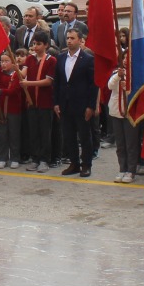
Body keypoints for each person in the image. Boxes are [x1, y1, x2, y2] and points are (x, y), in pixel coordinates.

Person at [54, 27, 98, 178]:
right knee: (69, 135)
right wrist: (56, 102)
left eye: (72, 38)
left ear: (80, 40)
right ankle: (74, 163)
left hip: (81, 104)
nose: (69, 41)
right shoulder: (61, 58)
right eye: (68, 38)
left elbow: (93, 85)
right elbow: (58, 82)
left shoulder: (88, 59)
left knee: (85, 136)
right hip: (65, 104)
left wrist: (91, 106)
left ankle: (86, 164)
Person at [21, 35, 57, 173]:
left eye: (39, 44)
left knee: (45, 131)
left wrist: (28, 83)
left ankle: (44, 160)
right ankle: (35, 158)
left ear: (46, 45)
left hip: (45, 102)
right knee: (33, 131)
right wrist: (15, 70)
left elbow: (48, 81)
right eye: (34, 43)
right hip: (31, 101)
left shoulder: (51, 60)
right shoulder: (30, 59)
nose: (35, 47)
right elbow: (23, 73)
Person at [0, 50, 25, 170]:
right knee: (2, 134)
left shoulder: (17, 75)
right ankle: (2, 158)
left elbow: (13, 91)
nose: (3, 64)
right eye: (2, 61)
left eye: (6, 61)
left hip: (13, 109)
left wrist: (0, 91)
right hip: (0, 109)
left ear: (13, 63)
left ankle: (15, 157)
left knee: (14, 134)